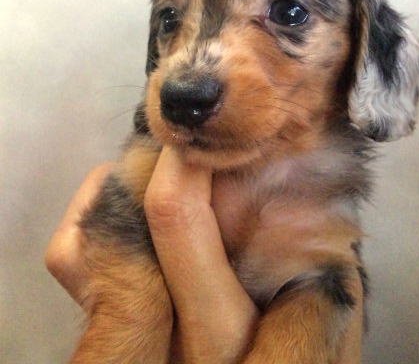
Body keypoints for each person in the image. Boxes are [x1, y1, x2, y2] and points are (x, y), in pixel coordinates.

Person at [45, 146, 363, 363]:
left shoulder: (329, 188)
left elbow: (328, 289)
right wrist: (133, 319)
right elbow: (119, 215)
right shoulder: (157, 153)